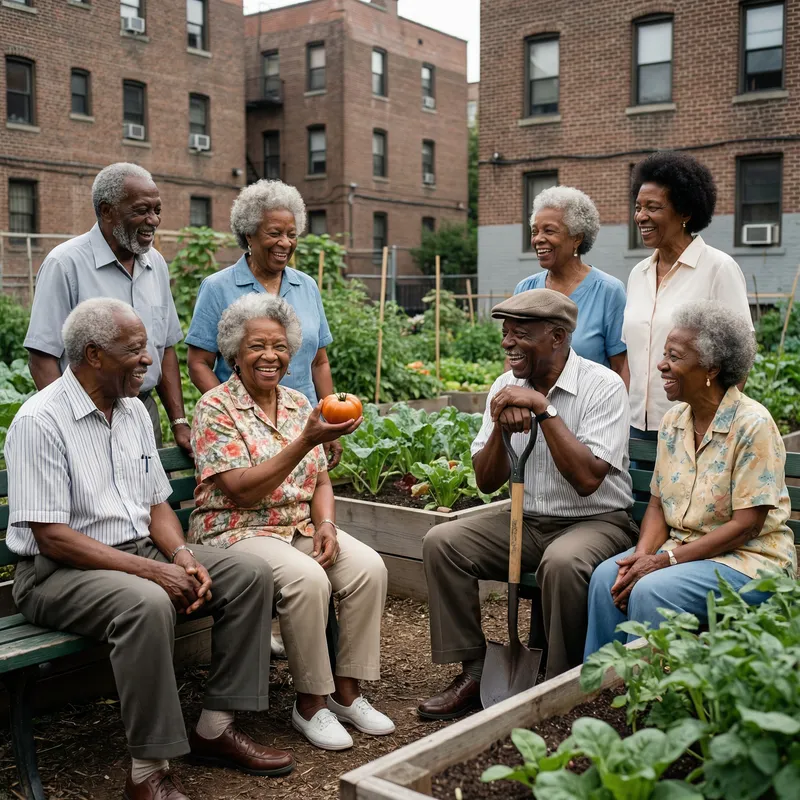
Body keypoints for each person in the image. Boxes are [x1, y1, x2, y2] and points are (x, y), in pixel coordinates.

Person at [5, 299, 294, 800]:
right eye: (136, 350)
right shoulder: (41, 421)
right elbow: (52, 536)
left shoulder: (134, 410)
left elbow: (157, 504)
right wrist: (153, 573)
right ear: (94, 354)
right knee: (147, 602)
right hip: (56, 572)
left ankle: (215, 728)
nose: (150, 360)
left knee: (248, 575)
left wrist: (181, 557)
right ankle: (147, 773)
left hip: (135, 551)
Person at [417, 289, 636, 720]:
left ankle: (562, 683)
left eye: (520, 334)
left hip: (597, 521)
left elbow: (589, 480)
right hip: (527, 519)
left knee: (563, 563)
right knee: (443, 542)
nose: (507, 343)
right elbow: (485, 480)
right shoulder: (504, 386)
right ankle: (476, 670)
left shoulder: (603, 386)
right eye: (505, 333)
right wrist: (500, 428)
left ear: (557, 338)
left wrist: (544, 410)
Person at [188, 293, 394, 751]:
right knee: (306, 579)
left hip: (297, 528)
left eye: (280, 346)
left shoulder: (300, 401)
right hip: (235, 532)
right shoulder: (215, 408)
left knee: (367, 568)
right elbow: (240, 490)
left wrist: (326, 524)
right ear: (234, 355)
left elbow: (320, 480)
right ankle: (310, 704)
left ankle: (347, 692)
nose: (270, 356)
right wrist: (304, 441)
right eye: (257, 346)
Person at [584, 301, 796, 658]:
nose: (661, 365)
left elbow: (746, 526)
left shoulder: (752, 425)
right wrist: (641, 557)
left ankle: (650, 699)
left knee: (652, 590)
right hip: (683, 552)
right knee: (610, 578)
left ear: (711, 368)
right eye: (665, 353)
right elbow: (656, 503)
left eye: (675, 356)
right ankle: (597, 696)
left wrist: (664, 562)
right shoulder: (675, 420)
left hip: (749, 562)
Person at [23, 163, 191, 451]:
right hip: (86, 413)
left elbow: (166, 350)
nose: (153, 220)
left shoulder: (157, 264)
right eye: (141, 210)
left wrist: (178, 421)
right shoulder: (65, 264)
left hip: (143, 411)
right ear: (107, 211)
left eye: (157, 210)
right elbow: (42, 358)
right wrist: (71, 424)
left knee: (153, 495)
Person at [186, 179, 341, 467]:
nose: (286, 242)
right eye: (275, 233)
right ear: (249, 234)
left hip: (302, 425)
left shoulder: (306, 286)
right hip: (244, 434)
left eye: (292, 234)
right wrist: (233, 413)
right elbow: (198, 363)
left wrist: (327, 419)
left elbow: (319, 362)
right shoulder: (218, 287)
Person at [623, 151, 752, 444]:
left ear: (684, 212)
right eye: (638, 207)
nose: (641, 216)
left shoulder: (718, 268)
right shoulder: (637, 274)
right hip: (635, 430)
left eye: (653, 207)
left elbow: (741, 358)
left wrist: (714, 427)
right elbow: (631, 356)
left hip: (694, 430)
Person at [515, 186, 628, 385]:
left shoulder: (608, 291)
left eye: (549, 231)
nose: (538, 239)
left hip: (592, 410)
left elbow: (620, 367)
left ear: (577, 238)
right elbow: (514, 357)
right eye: (535, 231)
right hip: (532, 408)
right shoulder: (525, 290)